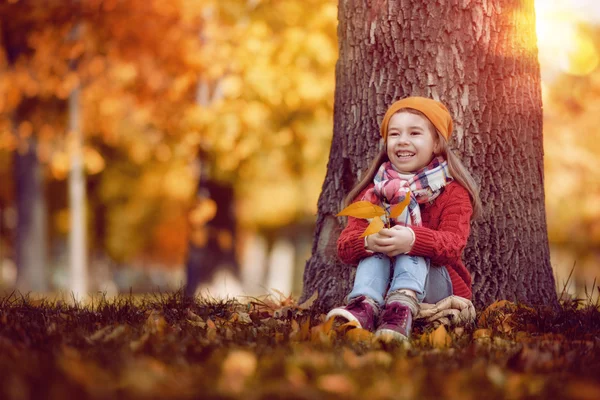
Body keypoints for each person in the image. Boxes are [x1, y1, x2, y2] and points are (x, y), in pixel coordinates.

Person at [326, 96, 482, 341]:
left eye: (415, 133)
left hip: (436, 287)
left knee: (409, 241)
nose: (403, 141)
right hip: (383, 285)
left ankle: (401, 309)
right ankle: (364, 306)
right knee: (376, 241)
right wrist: (368, 242)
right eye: (395, 134)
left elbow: (453, 245)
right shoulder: (374, 191)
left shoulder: (453, 193)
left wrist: (411, 239)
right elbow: (344, 247)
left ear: (437, 143)